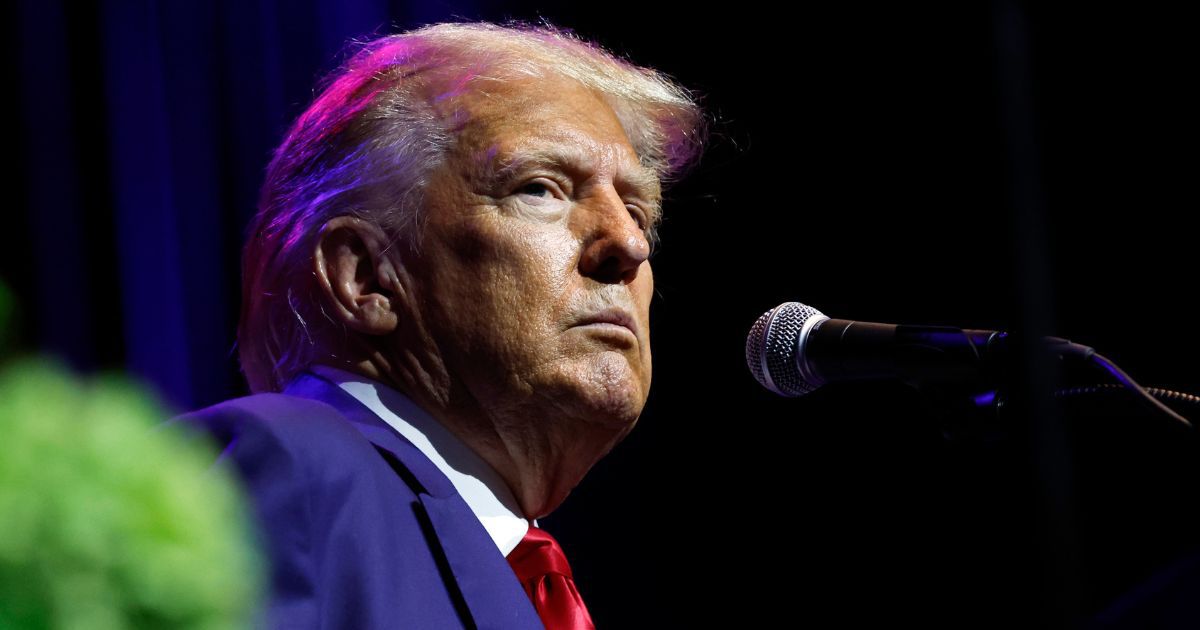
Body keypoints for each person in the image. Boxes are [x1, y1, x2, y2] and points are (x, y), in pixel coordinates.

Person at [170, 21, 704, 629]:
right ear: (367, 276)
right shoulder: (292, 470)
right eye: (541, 189)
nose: (629, 245)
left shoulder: (511, 563)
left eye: (637, 210)